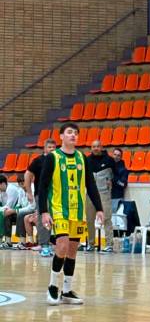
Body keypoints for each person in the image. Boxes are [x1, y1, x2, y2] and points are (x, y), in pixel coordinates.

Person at [37, 122, 104, 306]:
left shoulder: (83, 158)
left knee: (73, 251)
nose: (73, 135)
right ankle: (52, 286)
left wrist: (99, 208)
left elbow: (90, 184)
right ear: (61, 136)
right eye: (69, 132)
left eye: (75, 133)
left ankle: (66, 290)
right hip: (59, 210)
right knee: (62, 246)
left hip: (78, 211)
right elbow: (42, 186)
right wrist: (43, 211)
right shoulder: (53, 158)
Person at [24, 138, 57, 256]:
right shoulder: (38, 160)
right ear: (45, 148)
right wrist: (28, 192)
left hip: (57, 195)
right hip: (42, 194)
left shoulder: (58, 160)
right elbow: (27, 175)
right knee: (43, 218)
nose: (52, 149)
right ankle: (44, 245)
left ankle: (55, 243)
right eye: (49, 147)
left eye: (54, 147)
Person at [85, 140, 116, 252]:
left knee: (107, 218)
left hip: (104, 193)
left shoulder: (109, 160)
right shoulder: (87, 160)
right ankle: (91, 244)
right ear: (91, 148)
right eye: (94, 146)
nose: (96, 148)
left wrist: (112, 182)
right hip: (90, 194)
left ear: (101, 147)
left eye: (98, 146)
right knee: (89, 220)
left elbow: (116, 175)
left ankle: (109, 244)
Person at [0, 174, 25, 248]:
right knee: (6, 215)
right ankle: (8, 241)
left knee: (5, 214)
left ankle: (1, 238)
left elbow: (9, 206)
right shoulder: (2, 191)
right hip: (13, 210)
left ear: (3, 184)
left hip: (16, 210)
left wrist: (15, 210)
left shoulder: (11, 189)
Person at [111, 147, 129, 212]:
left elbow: (123, 184)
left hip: (116, 198)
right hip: (105, 197)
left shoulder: (123, 170)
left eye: (118, 155)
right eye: (115, 154)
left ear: (121, 157)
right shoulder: (107, 167)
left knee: (114, 219)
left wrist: (114, 179)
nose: (116, 157)